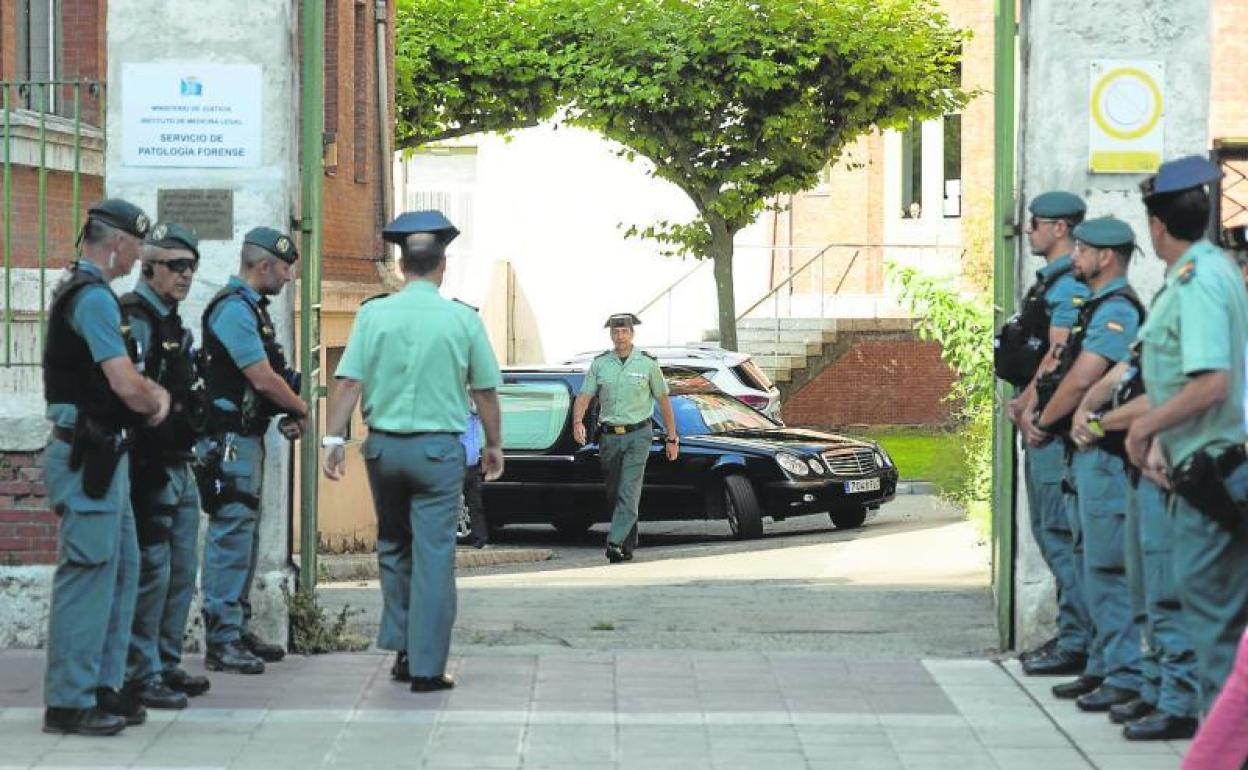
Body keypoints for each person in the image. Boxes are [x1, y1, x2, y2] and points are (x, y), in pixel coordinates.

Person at [322, 210, 503, 693]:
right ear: (443, 267)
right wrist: (493, 444)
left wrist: (333, 439)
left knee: (394, 547)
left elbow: (348, 380)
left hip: (384, 450)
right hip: (437, 454)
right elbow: (485, 389)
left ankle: (402, 645)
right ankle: (425, 666)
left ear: (402, 268)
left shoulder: (374, 313)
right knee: (435, 554)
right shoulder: (462, 319)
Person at [41, 199, 171, 736]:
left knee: (120, 571)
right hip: (86, 452)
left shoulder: (90, 293)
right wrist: (156, 399)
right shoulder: (92, 298)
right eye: (138, 245)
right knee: (90, 573)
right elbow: (123, 382)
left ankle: (102, 686)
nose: (140, 256)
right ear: (118, 243)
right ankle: (70, 701)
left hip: (103, 453)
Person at [1126, 155, 1248, 714]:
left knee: (1215, 637)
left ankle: (1223, 752)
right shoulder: (1210, 270)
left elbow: (1211, 383)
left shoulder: (1197, 282)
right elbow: (1181, 379)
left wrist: (1144, 426)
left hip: (1212, 472)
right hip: (1209, 465)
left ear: (1155, 226)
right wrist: (1156, 433)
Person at [1032, 216, 1146, 712]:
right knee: (1087, 561)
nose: (1075, 256)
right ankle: (1103, 666)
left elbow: (1085, 378)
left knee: (1106, 568)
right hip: (1085, 456)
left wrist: (1043, 420)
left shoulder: (1118, 309)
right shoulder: (1096, 305)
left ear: (1107, 257)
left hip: (1104, 457)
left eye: (1084, 250)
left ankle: (1122, 671)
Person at [1070, 348, 1200, 740]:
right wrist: (1087, 410)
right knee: (1144, 592)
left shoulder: (1206, 305)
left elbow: (1172, 392)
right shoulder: (1170, 307)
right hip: (1139, 466)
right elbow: (1123, 372)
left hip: (1173, 468)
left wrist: (1100, 422)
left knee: (1166, 591)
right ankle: (1156, 687)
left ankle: (1181, 703)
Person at [199, 227, 308, 674]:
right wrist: (300, 407)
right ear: (263, 266)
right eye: (284, 269)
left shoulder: (251, 311)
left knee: (245, 535)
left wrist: (288, 405)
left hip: (245, 438)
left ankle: (235, 629)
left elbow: (269, 376)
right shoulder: (233, 310)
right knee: (231, 534)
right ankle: (221, 639)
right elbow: (261, 376)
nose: (287, 278)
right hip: (228, 440)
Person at [1000, 191, 1093, 676]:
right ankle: (1074, 636)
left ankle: (1080, 642)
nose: (1028, 230)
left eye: (1035, 223)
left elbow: (1059, 354)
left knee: (1058, 532)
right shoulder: (1052, 282)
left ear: (1059, 228)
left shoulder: (1066, 289)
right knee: (1050, 530)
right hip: (1042, 419)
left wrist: (1030, 406)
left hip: (1050, 428)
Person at [120, 223, 211, 710]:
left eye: (191, 267)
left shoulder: (172, 321)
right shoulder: (135, 318)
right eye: (176, 266)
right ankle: (141, 671)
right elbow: (128, 389)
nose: (186, 275)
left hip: (180, 462)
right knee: (152, 569)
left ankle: (166, 660)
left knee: (180, 569)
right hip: (148, 464)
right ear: (148, 265)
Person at [570, 313, 679, 563]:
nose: (620, 336)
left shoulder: (647, 363)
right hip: (609, 437)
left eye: (624, 332)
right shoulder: (600, 364)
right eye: (615, 332)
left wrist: (672, 438)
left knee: (629, 490)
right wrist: (578, 422)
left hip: (638, 434)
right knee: (616, 491)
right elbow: (585, 396)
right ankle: (627, 544)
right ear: (611, 335)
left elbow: (663, 400)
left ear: (632, 334)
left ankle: (615, 541)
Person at [460, 403, 489, 549]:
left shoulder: (474, 414)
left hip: (473, 464)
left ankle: (480, 538)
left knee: (475, 503)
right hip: (457, 464)